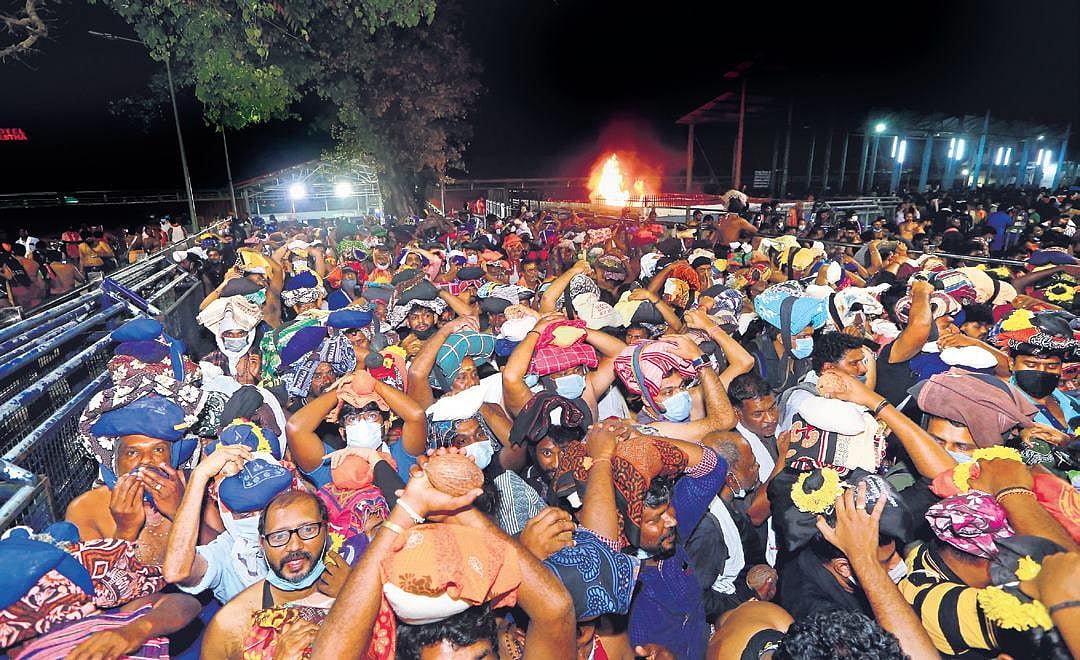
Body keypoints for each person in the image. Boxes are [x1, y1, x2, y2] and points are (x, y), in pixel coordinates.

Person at [200, 490, 350, 658]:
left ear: (325, 530)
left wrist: (353, 599)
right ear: (261, 543)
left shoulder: (353, 585)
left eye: (307, 530)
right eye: (279, 536)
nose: (294, 546)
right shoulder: (231, 624)